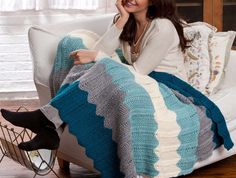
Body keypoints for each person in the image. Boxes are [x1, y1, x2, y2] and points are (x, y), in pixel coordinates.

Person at [1, 0, 189, 151]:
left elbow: (138, 71)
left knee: (102, 68)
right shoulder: (128, 22)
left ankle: (47, 121)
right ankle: (51, 128)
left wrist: (98, 57)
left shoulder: (162, 27)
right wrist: (121, 20)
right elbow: (98, 51)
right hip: (143, 80)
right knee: (90, 64)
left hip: (167, 88)